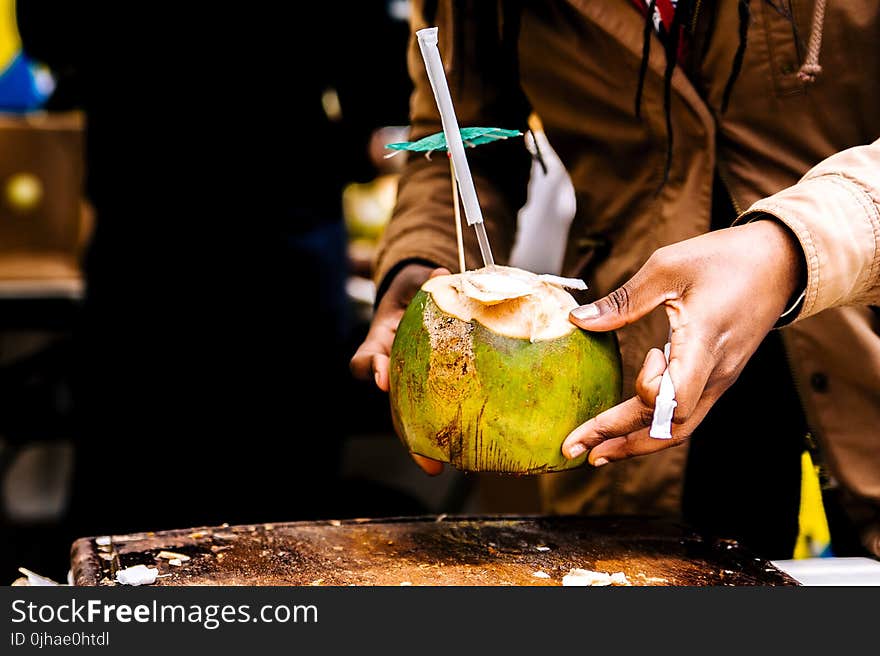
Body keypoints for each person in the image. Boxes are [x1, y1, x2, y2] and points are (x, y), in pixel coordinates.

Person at [352, 0, 880, 559]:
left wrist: (790, 246)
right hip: (629, 382)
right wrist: (421, 259)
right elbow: (459, 140)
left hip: (860, 341)